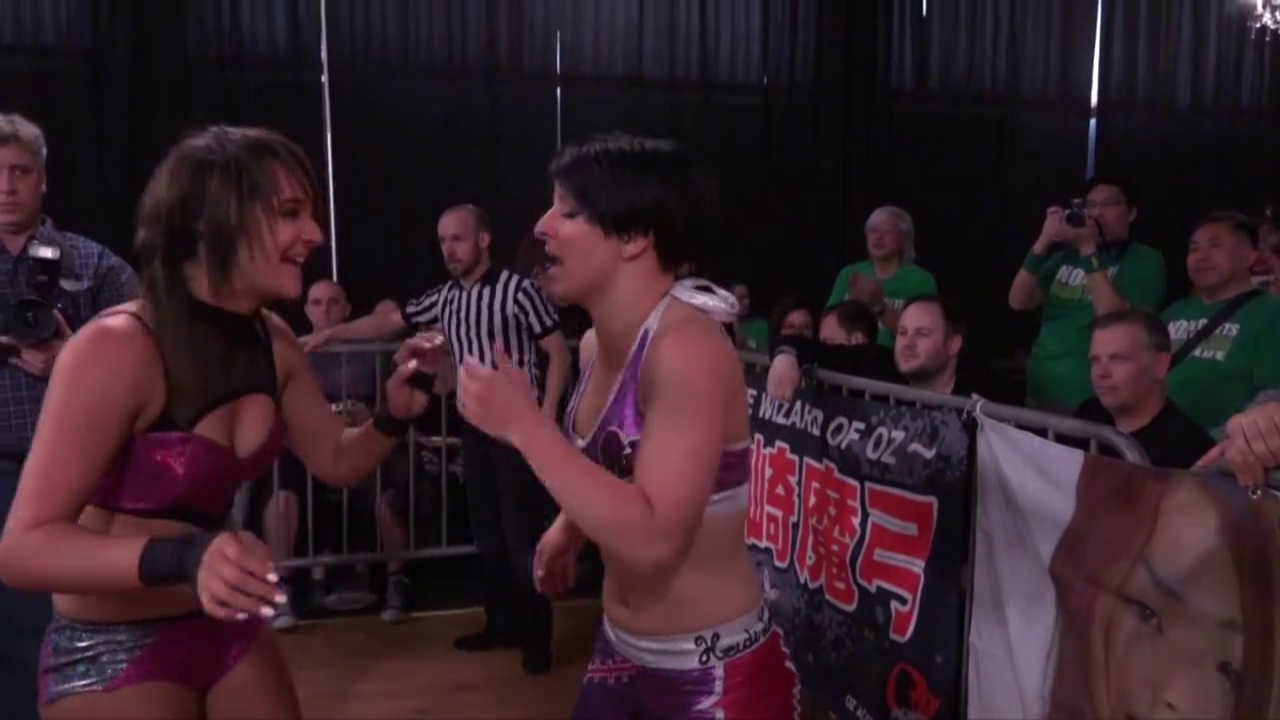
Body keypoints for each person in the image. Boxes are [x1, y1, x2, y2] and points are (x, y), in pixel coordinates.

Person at [0, 126, 436, 719]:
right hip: (111, 646)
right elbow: (24, 549)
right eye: (290, 213)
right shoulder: (117, 347)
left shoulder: (273, 340)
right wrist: (184, 557)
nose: (315, 234)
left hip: (224, 626)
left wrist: (392, 415)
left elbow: (335, 460)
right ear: (213, 220)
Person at [448, 133, 800, 718]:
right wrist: (570, 526)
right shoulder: (594, 345)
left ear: (635, 237)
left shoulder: (686, 349)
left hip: (712, 677)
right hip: (620, 650)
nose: (542, 227)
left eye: (568, 211)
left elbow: (657, 541)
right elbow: (623, 464)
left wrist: (526, 426)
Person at [306, 204, 570, 673]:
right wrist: (327, 336)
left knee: (520, 537)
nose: (449, 249)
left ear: (483, 240)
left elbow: (557, 353)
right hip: (475, 427)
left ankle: (536, 641)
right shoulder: (446, 298)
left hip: (518, 429)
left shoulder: (517, 291)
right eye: (443, 241)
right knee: (489, 535)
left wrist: (547, 415)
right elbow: (388, 322)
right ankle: (500, 626)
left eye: (458, 239)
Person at [0, 113, 140, 720]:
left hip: (79, 479)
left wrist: (75, 358)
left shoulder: (95, 264)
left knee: (69, 628)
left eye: (19, 172)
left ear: (43, 179)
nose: (6, 187)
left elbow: (150, 355)